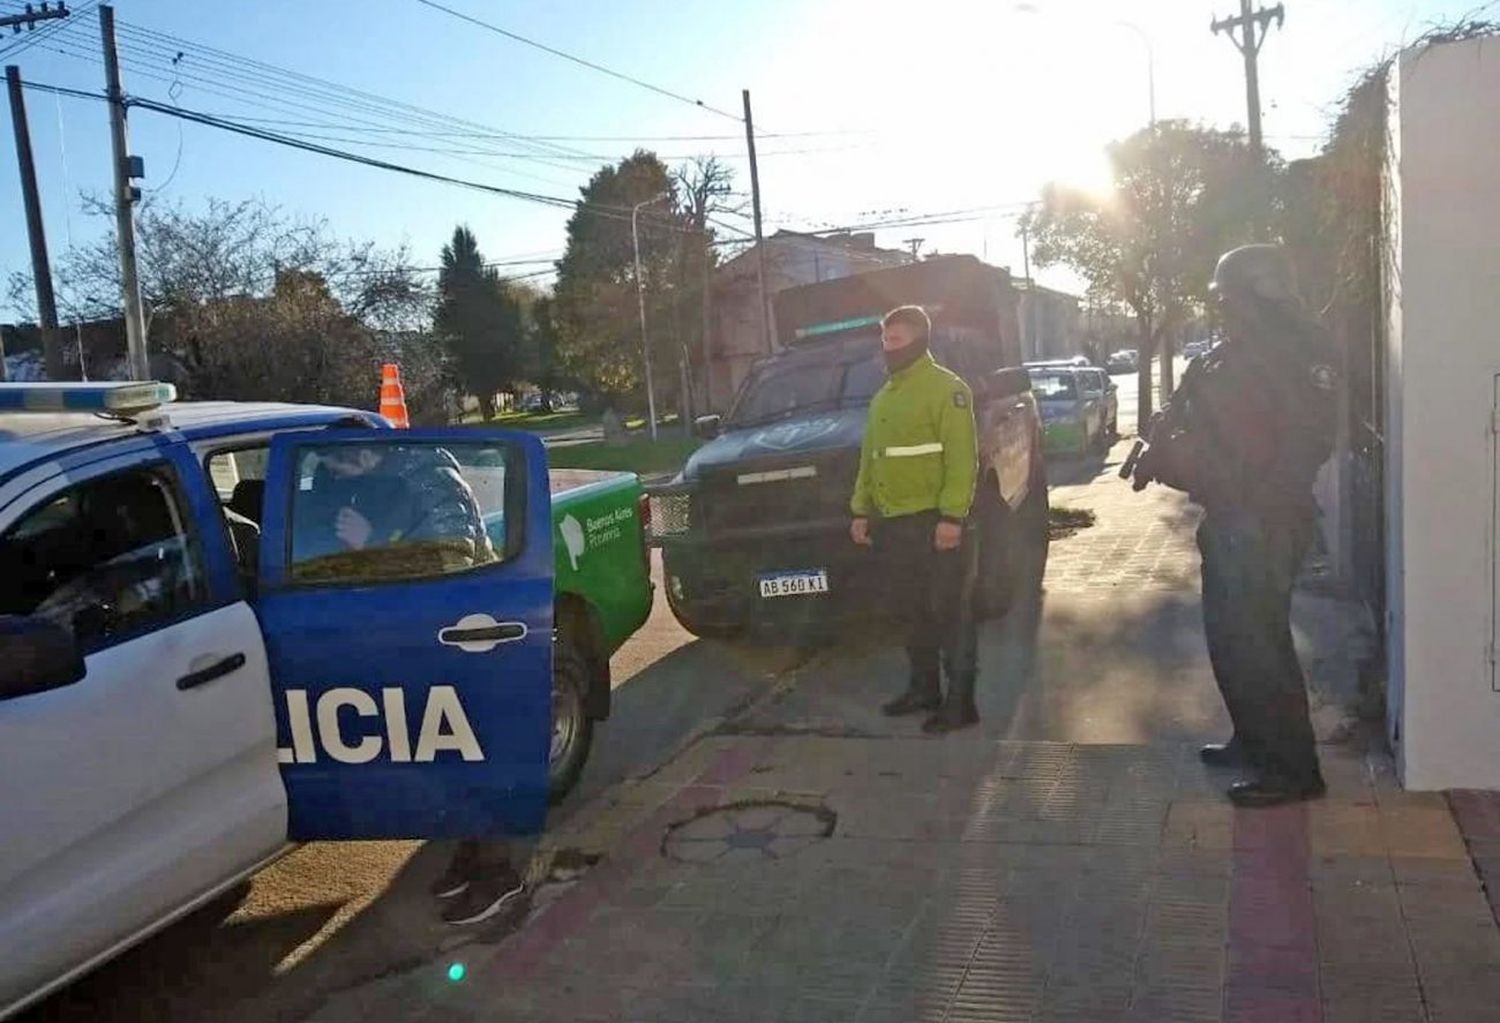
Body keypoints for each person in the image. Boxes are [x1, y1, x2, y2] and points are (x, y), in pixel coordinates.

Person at [1131, 244, 1338, 807]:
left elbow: (1309, 439)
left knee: (1261, 644)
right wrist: (1161, 449)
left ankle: (1293, 770)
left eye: (1229, 298)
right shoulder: (1230, 353)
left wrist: (1260, 500)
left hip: (1266, 519)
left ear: (1258, 291)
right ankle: (1253, 740)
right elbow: (1194, 416)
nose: (1222, 309)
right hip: (1229, 513)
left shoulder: (1299, 348)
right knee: (1231, 642)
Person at [305, 443, 533, 925]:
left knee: (472, 757)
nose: (332, 477)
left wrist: (373, 543)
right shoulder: (368, 484)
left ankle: (500, 876)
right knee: (445, 761)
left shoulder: (432, 481)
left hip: (465, 637)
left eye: (337, 465)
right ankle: (472, 857)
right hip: (419, 638)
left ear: (364, 456)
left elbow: (451, 563)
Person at [850, 305, 981, 733]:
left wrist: (952, 518)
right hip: (894, 524)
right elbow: (871, 460)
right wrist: (861, 510)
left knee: (950, 615)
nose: (888, 349)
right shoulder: (884, 397)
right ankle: (924, 689)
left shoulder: (947, 389)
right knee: (912, 614)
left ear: (920, 341)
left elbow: (963, 459)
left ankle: (961, 704)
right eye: (884, 341)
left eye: (896, 340)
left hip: (935, 524)